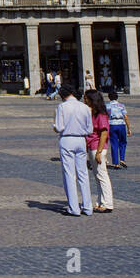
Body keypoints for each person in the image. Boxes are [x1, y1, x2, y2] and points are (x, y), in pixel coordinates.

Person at [53, 84, 94, 216]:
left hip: (67, 139)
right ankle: (87, 207)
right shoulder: (85, 107)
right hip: (81, 140)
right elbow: (90, 129)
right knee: (83, 173)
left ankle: (74, 208)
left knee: (69, 174)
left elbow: (59, 127)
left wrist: (54, 126)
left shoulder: (62, 107)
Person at [85, 90, 113, 212]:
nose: (84, 100)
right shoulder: (93, 113)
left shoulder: (101, 115)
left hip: (98, 147)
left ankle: (108, 203)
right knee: (97, 176)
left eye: (85, 98)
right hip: (92, 146)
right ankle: (100, 201)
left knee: (102, 175)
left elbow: (104, 133)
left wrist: (99, 152)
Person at [106, 89, 130, 168]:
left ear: (109, 98)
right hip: (121, 124)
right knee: (123, 142)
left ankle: (116, 163)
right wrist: (129, 128)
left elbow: (105, 117)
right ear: (117, 97)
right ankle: (122, 159)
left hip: (112, 125)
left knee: (114, 143)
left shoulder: (107, 106)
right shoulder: (121, 105)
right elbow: (125, 117)